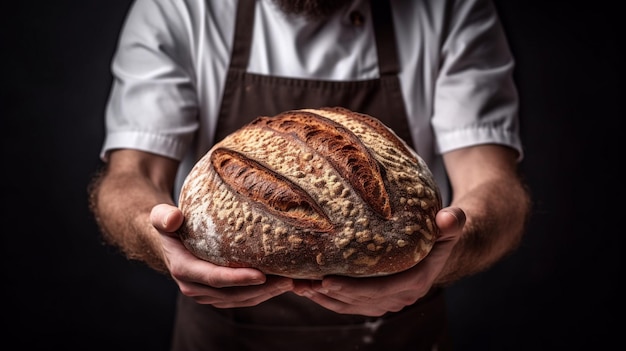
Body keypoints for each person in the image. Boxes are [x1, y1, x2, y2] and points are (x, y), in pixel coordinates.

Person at [88, 0, 531, 350]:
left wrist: (442, 260)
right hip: (225, 339)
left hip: (402, 334)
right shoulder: (180, 7)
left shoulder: (450, 7)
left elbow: (494, 186)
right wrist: (158, 240)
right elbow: (130, 176)